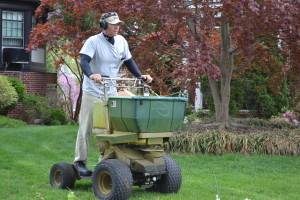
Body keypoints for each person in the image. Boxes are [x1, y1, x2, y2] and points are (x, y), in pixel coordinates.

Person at [74, 12, 153, 176]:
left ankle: (105, 161)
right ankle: (80, 162)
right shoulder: (93, 42)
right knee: (86, 127)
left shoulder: (121, 41)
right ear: (104, 25)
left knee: (109, 129)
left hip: (110, 91)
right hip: (93, 91)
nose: (117, 26)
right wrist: (91, 75)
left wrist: (140, 76)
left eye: (118, 24)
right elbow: (84, 61)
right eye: (113, 24)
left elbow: (128, 61)